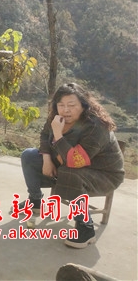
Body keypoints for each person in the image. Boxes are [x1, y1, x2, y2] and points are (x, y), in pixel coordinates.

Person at [20, 83, 124, 249]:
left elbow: (75, 161)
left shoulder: (95, 126)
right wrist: (46, 158)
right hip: (67, 164)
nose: (65, 110)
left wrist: (58, 133)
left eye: (71, 105)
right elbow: (45, 134)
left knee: (70, 171)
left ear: (83, 105)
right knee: (29, 156)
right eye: (61, 105)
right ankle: (35, 200)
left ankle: (86, 228)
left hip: (104, 175)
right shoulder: (56, 117)